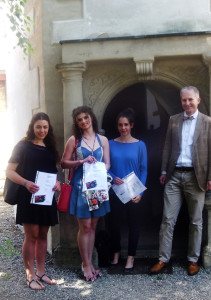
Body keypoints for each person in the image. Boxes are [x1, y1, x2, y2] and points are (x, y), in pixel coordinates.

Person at [150, 86, 211, 276]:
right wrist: (163, 170)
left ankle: (193, 260)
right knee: (168, 219)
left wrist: (210, 177)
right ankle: (163, 258)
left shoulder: (208, 122)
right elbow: (167, 146)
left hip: (197, 176)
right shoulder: (174, 120)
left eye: (190, 100)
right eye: (184, 100)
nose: (187, 103)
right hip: (174, 175)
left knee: (196, 221)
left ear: (198, 100)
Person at [5, 112, 61, 290]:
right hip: (28, 195)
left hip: (46, 197)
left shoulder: (50, 147)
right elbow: (9, 171)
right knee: (31, 235)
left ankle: (41, 272)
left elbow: (53, 172)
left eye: (45, 127)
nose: (42, 130)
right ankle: (30, 276)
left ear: (48, 127)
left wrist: (57, 183)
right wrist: (26, 183)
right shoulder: (22, 146)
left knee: (43, 234)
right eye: (38, 127)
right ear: (32, 127)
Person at [61, 106, 110, 281]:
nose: (83, 121)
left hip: (97, 187)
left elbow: (108, 164)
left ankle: (90, 263)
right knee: (85, 226)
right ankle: (86, 264)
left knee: (94, 226)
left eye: (86, 117)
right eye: (79, 119)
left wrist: (99, 168)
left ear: (91, 118)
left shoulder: (102, 139)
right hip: (81, 187)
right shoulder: (73, 140)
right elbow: (64, 163)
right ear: (77, 123)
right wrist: (81, 161)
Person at [108, 108, 147, 272]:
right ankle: (116, 254)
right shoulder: (110, 144)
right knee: (114, 225)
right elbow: (105, 166)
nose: (123, 128)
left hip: (133, 191)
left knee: (134, 225)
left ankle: (131, 257)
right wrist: (111, 176)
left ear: (131, 125)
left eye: (126, 125)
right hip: (115, 190)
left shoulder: (140, 145)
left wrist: (141, 193)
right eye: (120, 125)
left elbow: (144, 169)